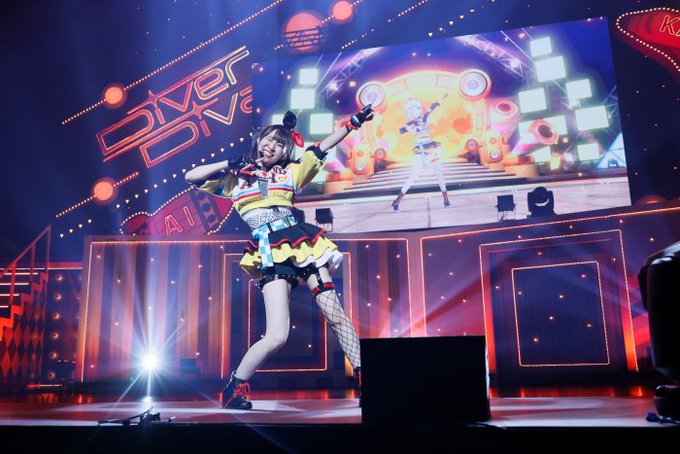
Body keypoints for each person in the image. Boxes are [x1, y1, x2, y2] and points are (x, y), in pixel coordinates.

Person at [185, 105, 374, 409]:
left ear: (286, 150)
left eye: (279, 144)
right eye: (268, 140)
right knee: (277, 335)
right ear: (258, 142)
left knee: (334, 313)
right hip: (268, 251)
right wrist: (230, 163)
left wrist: (353, 123)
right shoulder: (235, 180)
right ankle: (233, 389)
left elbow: (322, 147)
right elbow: (191, 176)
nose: (272, 146)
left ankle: (369, 380)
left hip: (302, 243)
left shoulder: (291, 172)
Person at [391, 94, 451, 211]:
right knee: (414, 175)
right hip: (420, 150)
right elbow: (401, 130)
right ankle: (397, 200)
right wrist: (410, 126)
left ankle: (446, 200)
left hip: (430, 148)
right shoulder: (409, 123)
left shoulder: (424, 117)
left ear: (418, 109)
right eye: (410, 110)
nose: (413, 111)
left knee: (439, 173)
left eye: (415, 108)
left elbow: (432, 107)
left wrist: (441, 99)